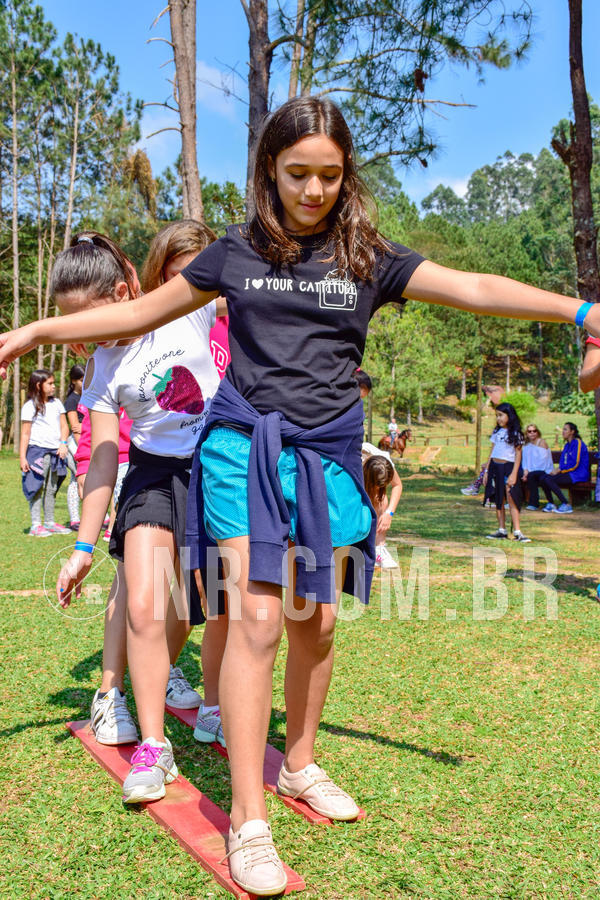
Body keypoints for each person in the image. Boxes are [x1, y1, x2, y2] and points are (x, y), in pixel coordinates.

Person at [2, 97, 600, 895]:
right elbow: (140, 310)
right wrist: (39, 333)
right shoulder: (235, 252)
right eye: (297, 174)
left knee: (314, 626)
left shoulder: (368, 255)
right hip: (240, 447)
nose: (313, 189)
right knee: (254, 621)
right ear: (269, 171)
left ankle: (301, 764)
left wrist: (581, 310)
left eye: (329, 173)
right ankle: (250, 819)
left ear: (345, 174)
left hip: (329, 459)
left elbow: (475, 287)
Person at [48, 231, 222, 800]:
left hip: (217, 469)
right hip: (152, 473)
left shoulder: (185, 306)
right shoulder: (102, 365)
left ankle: (210, 700)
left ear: (125, 292)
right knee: (144, 604)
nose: (81, 337)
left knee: (204, 605)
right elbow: (102, 461)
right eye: (68, 324)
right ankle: (153, 746)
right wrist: (81, 547)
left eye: (88, 321)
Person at [20, 370, 71, 537]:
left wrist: (63, 443)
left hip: (56, 452)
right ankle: (36, 525)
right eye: (49, 383)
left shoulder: (57, 404)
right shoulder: (29, 406)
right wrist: (22, 457)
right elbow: (25, 433)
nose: (53, 386)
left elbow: (64, 426)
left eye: (54, 383)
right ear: (38, 385)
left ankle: (49, 522)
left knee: (51, 487)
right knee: (36, 487)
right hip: (36, 452)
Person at [482, 402, 530, 542]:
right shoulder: (496, 432)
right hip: (495, 467)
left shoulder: (516, 434)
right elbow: (493, 451)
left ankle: (517, 531)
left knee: (512, 499)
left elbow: (518, 454)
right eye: (497, 416)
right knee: (499, 499)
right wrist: (486, 471)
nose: (498, 418)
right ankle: (501, 530)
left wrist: (514, 474)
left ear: (510, 415)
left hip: (508, 468)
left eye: (501, 415)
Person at [361, 445, 402, 569]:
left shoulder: (385, 462)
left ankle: (379, 549)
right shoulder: (355, 460)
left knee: (381, 497)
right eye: (375, 485)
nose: (377, 489)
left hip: (370, 474)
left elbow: (397, 485)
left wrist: (389, 513)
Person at [537, 421, 588, 513]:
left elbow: (575, 463)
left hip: (578, 474)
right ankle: (551, 504)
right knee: (543, 478)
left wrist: (560, 470)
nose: (563, 431)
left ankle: (566, 504)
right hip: (568, 473)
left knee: (549, 479)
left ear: (572, 432)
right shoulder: (566, 445)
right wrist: (558, 470)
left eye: (565, 429)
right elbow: (563, 462)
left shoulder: (578, 443)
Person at [64, 364, 85, 529]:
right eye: (80, 379)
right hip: (77, 445)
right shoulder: (72, 400)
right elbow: (74, 426)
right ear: (73, 381)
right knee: (76, 479)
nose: (84, 382)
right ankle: (74, 519)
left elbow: (82, 425)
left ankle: (102, 517)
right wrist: (82, 449)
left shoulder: (88, 397)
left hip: (87, 442)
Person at [522, 424, 555, 510]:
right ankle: (516, 500)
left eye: (534, 431)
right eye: (529, 431)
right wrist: (525, 471)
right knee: (519, 475)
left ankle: (534, 503)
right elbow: (525, 461)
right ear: (527, 433)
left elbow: (543, 461)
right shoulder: (526, 445)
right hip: (531, 471)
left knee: (533, 476)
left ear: (537, 432)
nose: (532, 433)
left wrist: (529, 472)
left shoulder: (541, 442)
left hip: (544, 470)